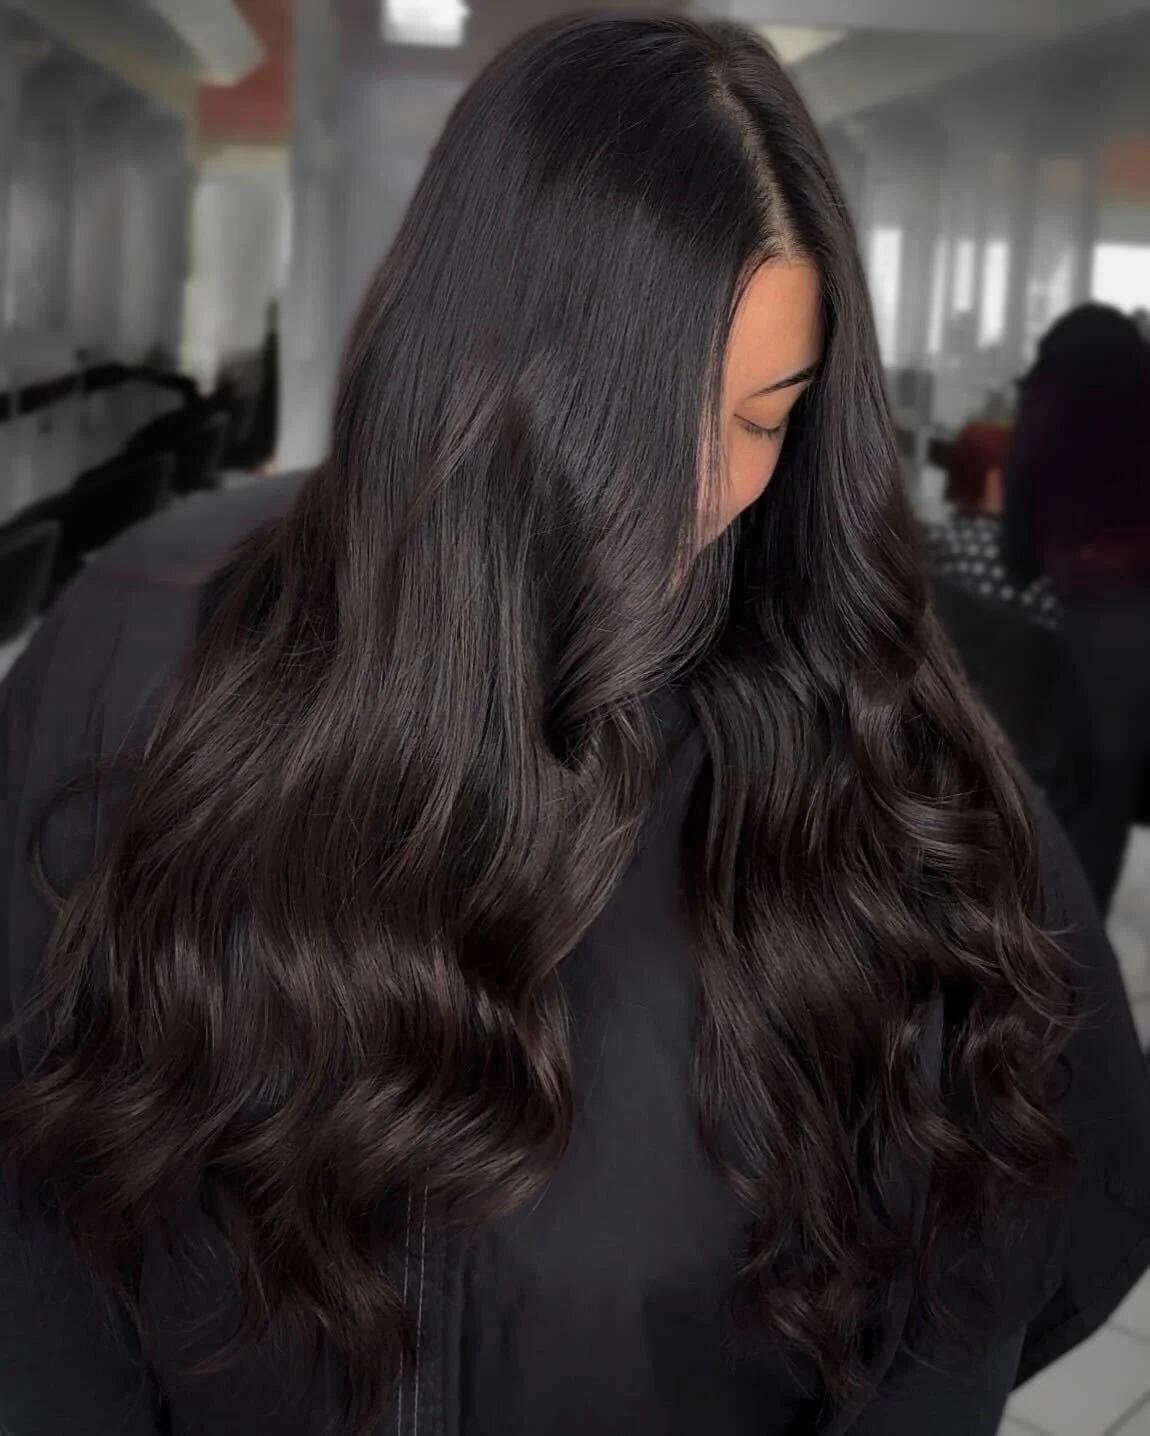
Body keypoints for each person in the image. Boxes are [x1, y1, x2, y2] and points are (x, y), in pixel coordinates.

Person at [0, 18, 1148, 1436]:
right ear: (469, 365)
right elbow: (28, 1174)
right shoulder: (145, 642)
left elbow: (1009, 1229)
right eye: (633, 422)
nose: (702, 499)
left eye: (763, 414)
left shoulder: (865, 725)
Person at [1004, 303, 1150, 910]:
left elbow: (1020, 509)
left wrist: (1023, 566)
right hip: (1132, 615)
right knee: (1108, 791)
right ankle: (1083, 946)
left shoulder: (1049, 405)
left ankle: (1050, 933)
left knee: (1066, 782)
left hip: (1073, 609)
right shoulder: (1140, 403)